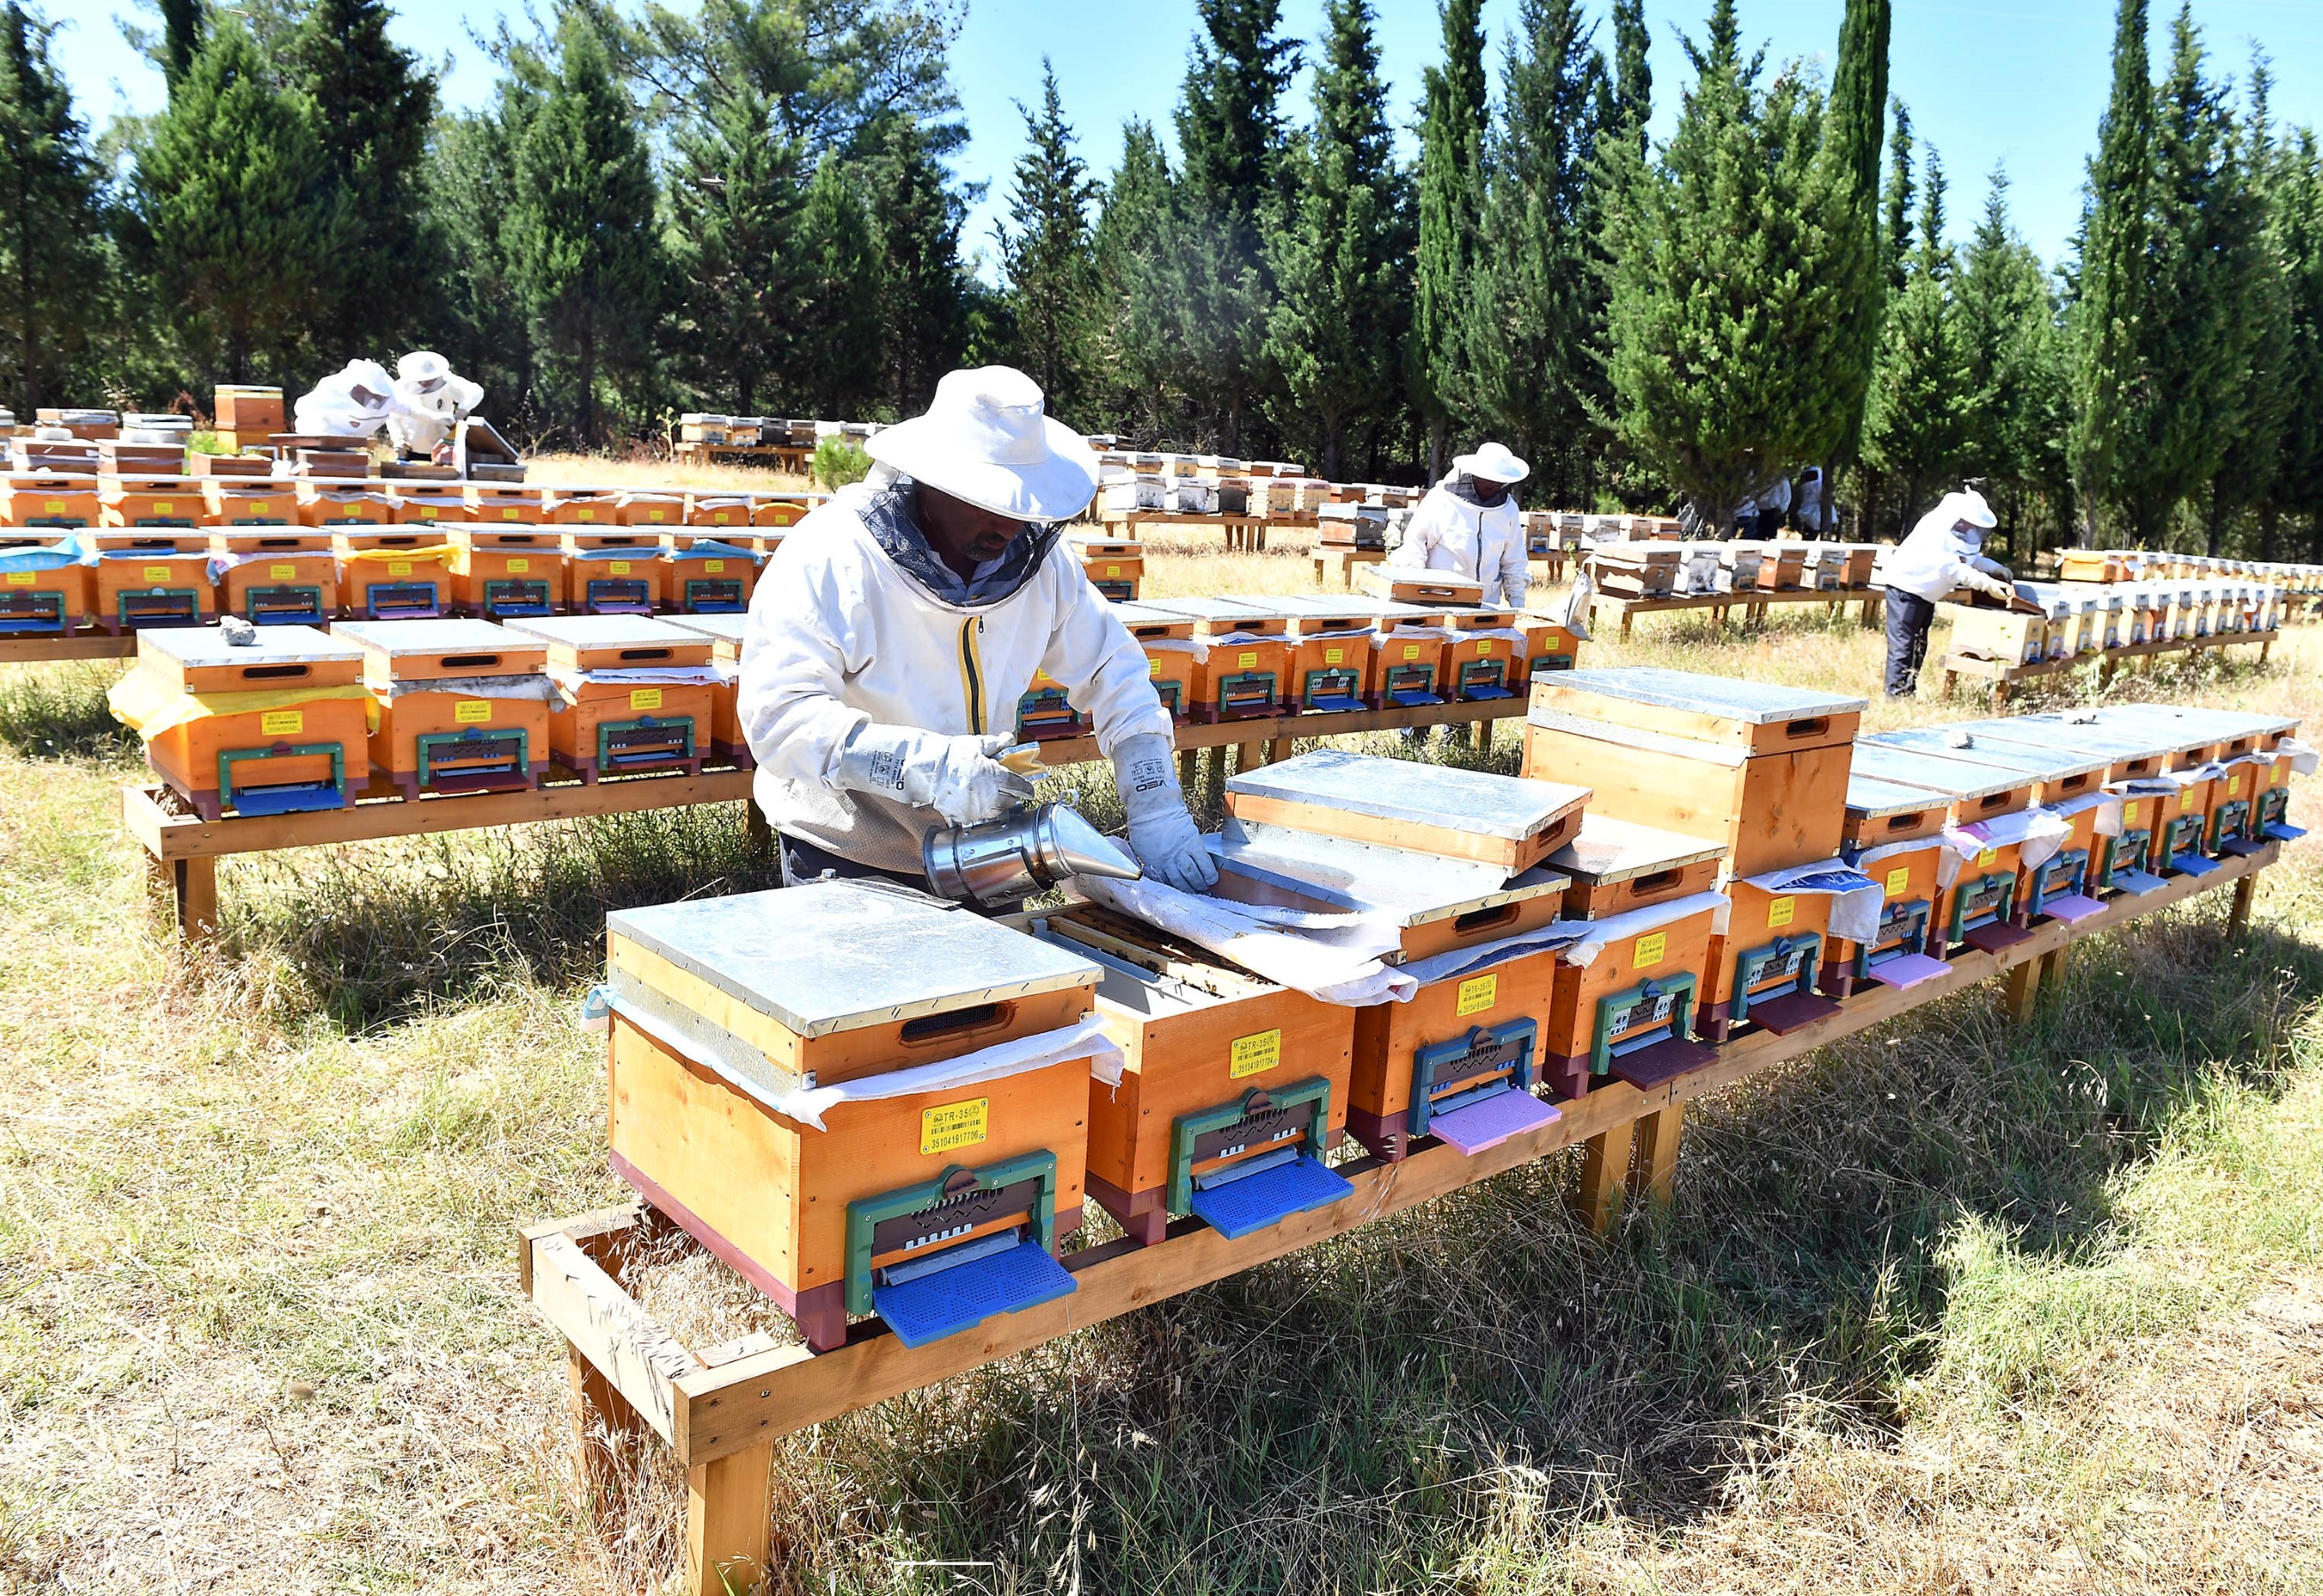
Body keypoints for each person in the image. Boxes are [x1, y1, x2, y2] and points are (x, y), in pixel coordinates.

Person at [737, 364, 1216, 896]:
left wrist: (1156, 806)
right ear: (931, 479)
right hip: (850, 853)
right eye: (988, 502)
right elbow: (779, 718)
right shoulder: (830, 555)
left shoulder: (1044, 567)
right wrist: (926, 768)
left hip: (987, 852)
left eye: (1022, 503)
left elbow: (1114, 671)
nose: (1009, 525)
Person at [1880, 489, 2013, 697]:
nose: (1970, 528)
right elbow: (1952, 569)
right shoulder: (1934, 531)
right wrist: (1988, 584)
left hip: (1925, 594)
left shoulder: (1959, 535)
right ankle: (1896, 695)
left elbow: (1968, 559)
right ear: (1956, 518)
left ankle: (1908, 689)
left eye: (1974, 526)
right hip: (1905, 588)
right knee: (1904, 643)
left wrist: (1995, 568)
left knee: (1919, 643)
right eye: (1967, 523)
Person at [1388, 441, 1529, 607]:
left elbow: (1514, 561)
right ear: (1474, 475)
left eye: (1499, 481)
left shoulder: (1508, 509)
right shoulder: (1441, 500)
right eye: (1489, 480)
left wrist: (1517, 602)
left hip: (1487, 605)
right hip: (1438, 602)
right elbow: (1414, 548)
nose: (1494, 485)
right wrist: (1413, 592)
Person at [387, 351, 485, 458]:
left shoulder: (447, 380)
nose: (425, 382)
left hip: (443, 449)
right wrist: (398, 439)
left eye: (428, 378)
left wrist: (463, 410)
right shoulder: (400, 387)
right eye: (421, 379)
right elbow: (393, 417)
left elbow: (476, 391)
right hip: (410, 448)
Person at [293, 359, 396, 439]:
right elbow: (302, 408)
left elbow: (403, 409)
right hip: (321, 439)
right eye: (369, 392)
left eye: (377, 395)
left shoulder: (390, 399)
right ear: (356, 385)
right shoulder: (331, 390)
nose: (373, 398)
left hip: (350, 444)